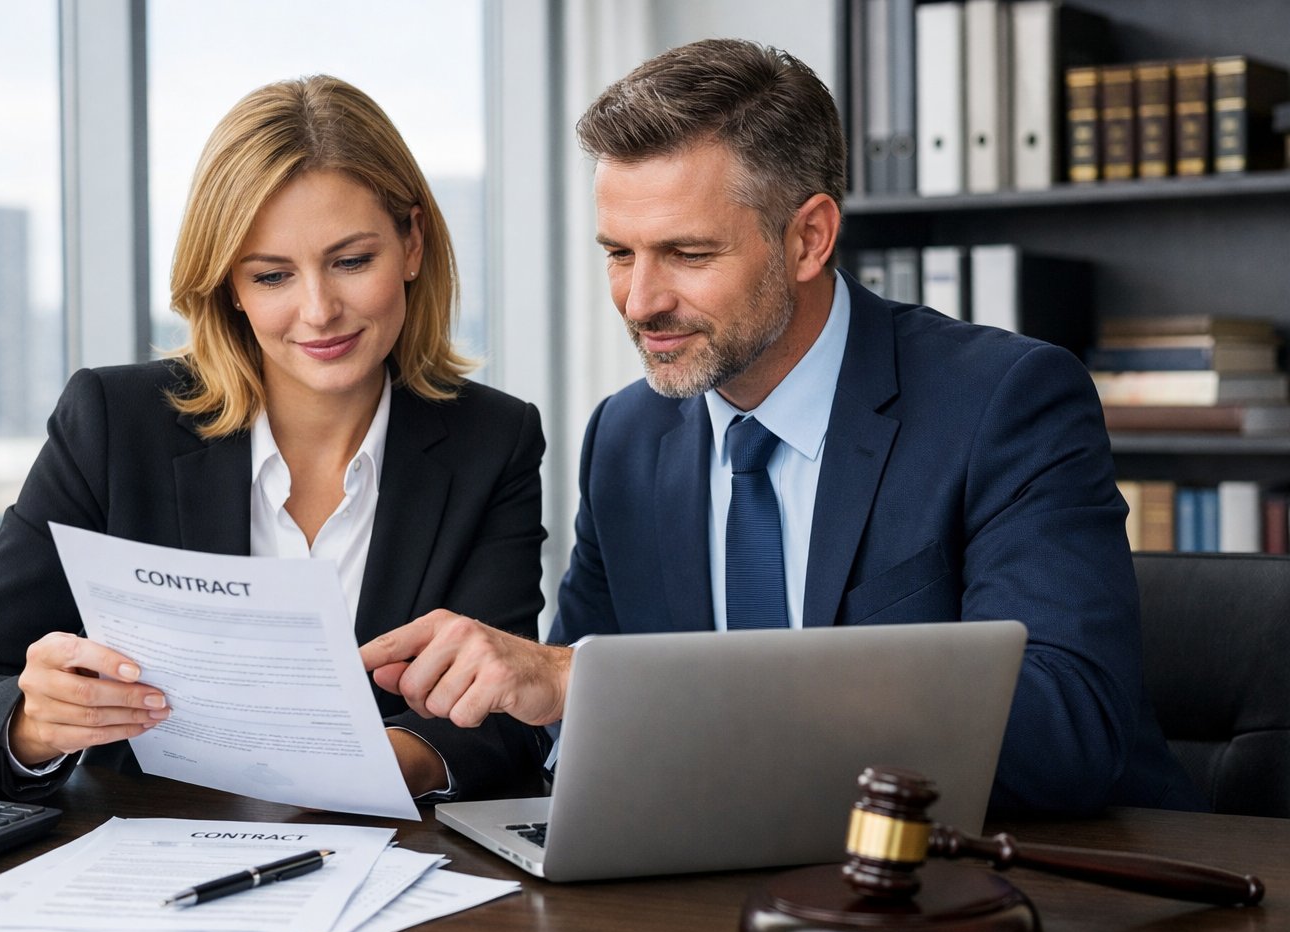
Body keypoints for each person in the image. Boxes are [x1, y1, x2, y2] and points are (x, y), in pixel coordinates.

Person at [361, 39, 1203, 813]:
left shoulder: (1007, 402)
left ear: (809, 238)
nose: (640, 301)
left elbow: (1065, 731)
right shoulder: (626, 437)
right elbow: (571, 724)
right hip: (727, 888)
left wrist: (620, 687)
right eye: (619, 253)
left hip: (1038, 898)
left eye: (687, 255)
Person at [0, 76, 549, 802]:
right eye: (272, 275)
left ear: (412, 244)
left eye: (352, 261)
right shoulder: (114, 423)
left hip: (392, 878)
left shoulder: (495, 440)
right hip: (148, 876)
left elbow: (509, 723)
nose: (319, 310)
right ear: (229, 287)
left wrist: (361, 770)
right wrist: (32, 724)